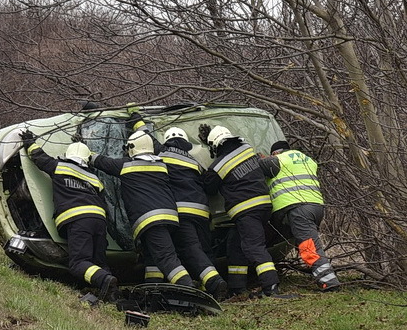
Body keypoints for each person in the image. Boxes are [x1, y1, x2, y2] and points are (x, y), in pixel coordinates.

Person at [90, 130, 195, 288]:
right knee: (153, 257)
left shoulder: (126, 166)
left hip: (151, 220)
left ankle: (188, 288)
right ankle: (153, 289)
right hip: (171, 218)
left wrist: (84, 151)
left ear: (132, 148)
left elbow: (102, 162)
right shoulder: (161, 165)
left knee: (166, 258)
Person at [21, 132, 119, 300]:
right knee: (99, 261)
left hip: (78, 220)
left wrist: (29, 142)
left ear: (68, 155)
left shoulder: (61, 166)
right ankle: (111, 292)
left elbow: (39, 158)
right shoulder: (95, 178)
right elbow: (103, 202)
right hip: (99, 221)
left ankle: (104, 279)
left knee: (78, 263)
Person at [202, 125, 294, 299]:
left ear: (215, 145)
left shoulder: (219, 164)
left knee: (254, 247)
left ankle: (271, 287)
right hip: (263, 206)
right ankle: (237, 287)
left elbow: (209, 187)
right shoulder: (247, 150)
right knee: (236, 245)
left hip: (247, 210)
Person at [154, 125, 230, 299]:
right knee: (204, 249)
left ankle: (214, 283)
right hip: (202, 211)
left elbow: (146, 138)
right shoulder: (193, 161)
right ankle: (209, 286)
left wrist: (135, 116)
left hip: (182, 210)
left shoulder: (162, 154)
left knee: (190, 249)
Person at [261, 140, 341, 291]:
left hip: (298, 210)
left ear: (276, 153)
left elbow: (259, 165)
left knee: (309, 247)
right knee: (306, 242)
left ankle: (329, 283)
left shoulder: (278, 160)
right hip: (316, 207)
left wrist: (261, 158)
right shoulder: (306, 159)